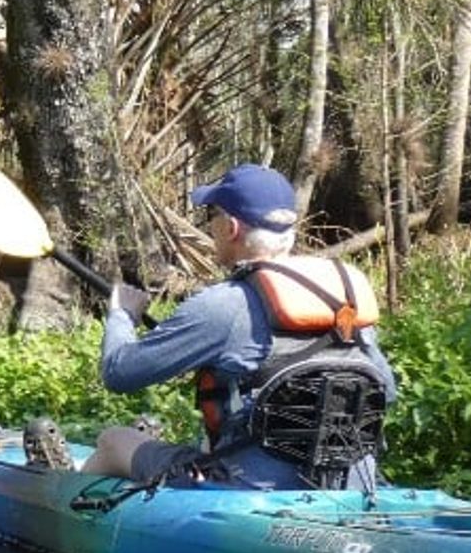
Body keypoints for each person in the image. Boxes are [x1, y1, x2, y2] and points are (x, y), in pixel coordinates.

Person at [24, 164, 396, 489]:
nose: (210, 224)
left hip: (251, 487)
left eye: (212, 215)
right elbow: (387, 392)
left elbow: (118, 372)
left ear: (231, 227)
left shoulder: (225, 304)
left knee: (112, 441)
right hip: (352, 480)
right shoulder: (344, 297)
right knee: (214, 436)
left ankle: (62, 496)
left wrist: (122, 314)